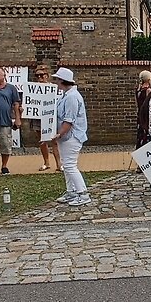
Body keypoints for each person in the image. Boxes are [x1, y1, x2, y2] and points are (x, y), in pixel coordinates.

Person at [50, 67, 91, 206]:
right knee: (67, 165)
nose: (55, 82)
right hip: (67, 137)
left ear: (62, 80)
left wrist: (58, 134)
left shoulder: (72, 97)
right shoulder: (67, 95)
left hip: (72, 137)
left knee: (70, 165)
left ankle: (83, 193)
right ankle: (71, 191)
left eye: (57, 79)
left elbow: (69, 121)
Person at [34, 66, 62, 172]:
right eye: (37, 76)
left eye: (42, 75)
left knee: (54, 141)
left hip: (50, 117)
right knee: (42, 141)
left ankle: (59, 164)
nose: (40, 77)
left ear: (47, 76)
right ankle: (46, 162)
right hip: (37, 118)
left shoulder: (54, 88)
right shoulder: (33, 89)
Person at [135, 70, 151, 147]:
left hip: (140, 113)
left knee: (140, 133)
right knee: (146, 133)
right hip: (146, 114)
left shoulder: (138, 89)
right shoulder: (148, 90)